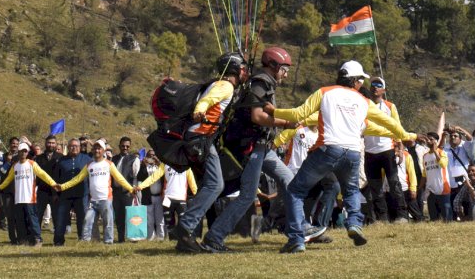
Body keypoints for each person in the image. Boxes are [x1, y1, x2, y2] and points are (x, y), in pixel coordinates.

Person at [271, 60, 418, 253]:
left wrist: (271, 111)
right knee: (351, 192)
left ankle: (297, 239)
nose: (362, 85)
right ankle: (354, 223)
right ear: (354, 81)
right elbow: (388, 123)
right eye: (360, 81)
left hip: (328, 150)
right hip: (353, 153)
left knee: (295, 191)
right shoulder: (363, 101)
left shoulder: (325, 92)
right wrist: (408, 136)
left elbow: (299, 113)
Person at [202, 46, 297, 253]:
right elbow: (257, 116)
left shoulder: (265, 83)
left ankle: (299, 229)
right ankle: (214, 238)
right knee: (247, 195)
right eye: (284, 69)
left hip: (263, 146)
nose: (286, 73)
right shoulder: (260, 83)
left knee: (289, 180)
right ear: (273, 66)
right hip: (253, 146)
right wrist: (286, 123)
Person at [173, 52, 248, 254]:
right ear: (234, 69)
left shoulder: (220, 84)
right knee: (215, 184)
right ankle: (186, 226)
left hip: (201, 139)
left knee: (213, 184)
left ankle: (185, 238)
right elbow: (207, 101)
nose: (245, 73)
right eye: (243, 69)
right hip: (200, 138)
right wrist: (200, 109)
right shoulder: (225, 86)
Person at [59, 138, 134, 244]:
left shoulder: (109, 164)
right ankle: (86, 242)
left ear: (103, 150)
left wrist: (131, 188)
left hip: (106, 199)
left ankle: (108, 242)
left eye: (99, 149)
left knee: (108, 223)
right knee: (88, 221)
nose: (97, 151)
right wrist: (62, 187)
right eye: (95, 148)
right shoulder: (89, 165)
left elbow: (120, 178)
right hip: (93, 201)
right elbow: (77, 179)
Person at [363, 76, 409, 223]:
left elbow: (397, 127)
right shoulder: (364, 105)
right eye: (373, 84)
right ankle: (382, 218)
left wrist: (400, 147)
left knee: (394, 183)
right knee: (375, 188)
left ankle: (402, 215)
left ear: (384, 90)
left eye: (378, 85)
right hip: (370, 151)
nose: (375, 87)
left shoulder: (390, 106)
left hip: (387, 149)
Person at [0, 140, 58, 247]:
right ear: (18, 152)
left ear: (27, 152)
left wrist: (53, 183)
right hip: (18, 199)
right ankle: (22, 240)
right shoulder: (15, 166)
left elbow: (43, 174)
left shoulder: (32, 164)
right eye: (21, 151)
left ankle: (37, 239)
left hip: (30, 198)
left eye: (25, 151)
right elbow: (8, 179)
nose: (23, 153)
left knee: (33, 220)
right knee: (20, 221)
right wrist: (0, 186)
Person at [53, 138, 89, 245]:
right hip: (65, 195)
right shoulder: (61, 161)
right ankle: (58, 242)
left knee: (82, 219)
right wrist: (55, 194)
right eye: (72, 146)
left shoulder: (87, 159)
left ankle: (82, 240)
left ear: (80, 147)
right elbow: (56, 178)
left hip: (82, 194)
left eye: (76, 146)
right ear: (68, 147)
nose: (74, 148)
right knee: (61, 218)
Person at [111, 136, 140, 244]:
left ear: (130, 147)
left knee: (131, 216)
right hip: (116, 192)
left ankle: (133, 238)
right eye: (123, 146)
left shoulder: (134, 159)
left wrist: (134, 191)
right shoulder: (113, 159)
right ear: (119, 146)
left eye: (127, 146)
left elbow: (136, 176)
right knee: (119, 216)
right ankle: (121, 239)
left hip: (128, 192)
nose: (125, 148)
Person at [442, 125, 473, 217]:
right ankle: (455, 219)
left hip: (464, 181)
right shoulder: (445, 149)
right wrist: (443, 135)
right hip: (451, 182)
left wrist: (460, 128)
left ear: (460, 139)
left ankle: (468, 218)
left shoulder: (464, 146)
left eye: (455, 136)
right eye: (451, 136)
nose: (452, 137)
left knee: (466, 203)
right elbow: (438, 148)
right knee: (453, 203)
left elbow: (471, 139)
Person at [34, 134, 62, 232]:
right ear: (45, 143)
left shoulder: (61, 157)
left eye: (53, 143)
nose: (51, 145)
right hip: (42, 191)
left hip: (56, 192)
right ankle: (36, 237)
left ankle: (58, 240)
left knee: (57, 217)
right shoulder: (38, 158)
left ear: (56, 144)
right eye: (49, 142)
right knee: (38, 215)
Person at [422, 132, 452, 221]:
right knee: (434, 218)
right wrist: (420, 187)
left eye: (431, 139)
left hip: (442, 190)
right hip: (431, 191)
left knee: (446, 219)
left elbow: (443, 164)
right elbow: (425, 173)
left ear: (436, 141)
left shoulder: (442, 152)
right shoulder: (425, 156)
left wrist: (435, 151)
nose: (429, 141)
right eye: (428, 139)